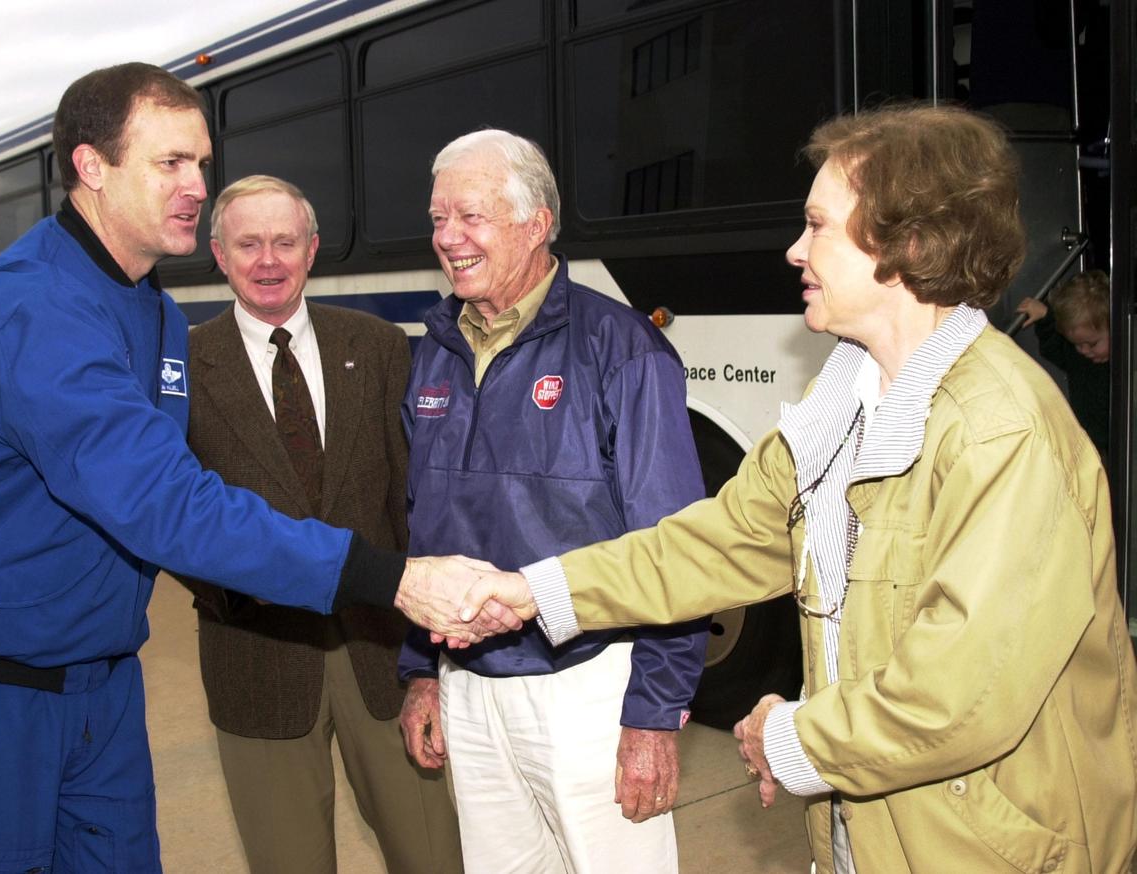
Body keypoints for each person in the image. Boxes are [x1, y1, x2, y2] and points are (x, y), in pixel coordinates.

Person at [0, 63, 512, 872]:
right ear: (91, 168)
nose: (195, 184)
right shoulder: (32, 311)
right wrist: (387, 576)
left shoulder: (156, 314)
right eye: (169, 162)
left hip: (99, 684)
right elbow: (163, 500)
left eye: (201, 163)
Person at [467, 105, 1137, 872]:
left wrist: (790, 738)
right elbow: (715, 544)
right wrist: (533, 592)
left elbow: (962, 696)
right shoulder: (841, 401)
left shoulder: (1001, 432)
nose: (795, 249)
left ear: (908, 243)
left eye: (818, 225)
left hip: (987, 848)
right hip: (868, 832)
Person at [397, 129, 709, 873]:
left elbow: (676, 552)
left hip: (588, 690)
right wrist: (419, 674)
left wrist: (653, 714)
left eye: (469, 216)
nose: (447, 238)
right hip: (467, 687)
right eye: (439, 219)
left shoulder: (621, 349)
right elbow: (421, 529)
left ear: (536, 223)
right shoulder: (432, 351)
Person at [177, 175, 462, 874]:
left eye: (284, 242)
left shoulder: (380, 347)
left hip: (380, 657)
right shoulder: (182, 368)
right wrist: (232, 594)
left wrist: (426, 661)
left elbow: (411, 503)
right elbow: (168, 511)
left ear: (312, 250)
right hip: (256, 655)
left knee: (435, 857)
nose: (267, 260)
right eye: (248, 244)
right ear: (218, 253)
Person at [1015, 269, 1111, 459]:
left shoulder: (1125, 361)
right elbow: (1055, 348)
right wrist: (1045, 317)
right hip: (1089, 444)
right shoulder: (1080, 359)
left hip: (1118, 442)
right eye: (1077, 344)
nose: (1084, 350)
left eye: (1092, 343)